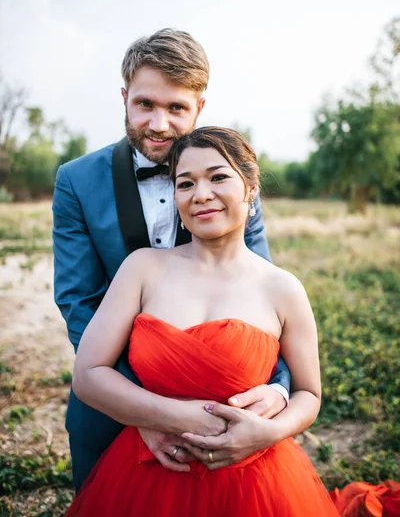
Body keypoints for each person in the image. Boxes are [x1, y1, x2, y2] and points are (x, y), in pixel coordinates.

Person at [52, 29, 291, 493]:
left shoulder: (229, 183)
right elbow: (80, 302)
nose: (159, 124)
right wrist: (141, 407)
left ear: (199, 107)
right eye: (145, 104)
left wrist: (278, 388)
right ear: (124, 98)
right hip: (112, 392)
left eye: (176, 108)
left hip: (222, 403)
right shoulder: (76, 181)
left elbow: (261, 298)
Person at [65, 126, 339, 516]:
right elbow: (88, 373)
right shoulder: (143, 269)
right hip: (145, 475)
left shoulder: (283, 289)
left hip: (254, 481)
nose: (201, 194)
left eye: (218, 177)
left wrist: (270, 432)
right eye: (185, 183)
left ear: (250, 188)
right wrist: (173, 416)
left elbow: (309, 395)